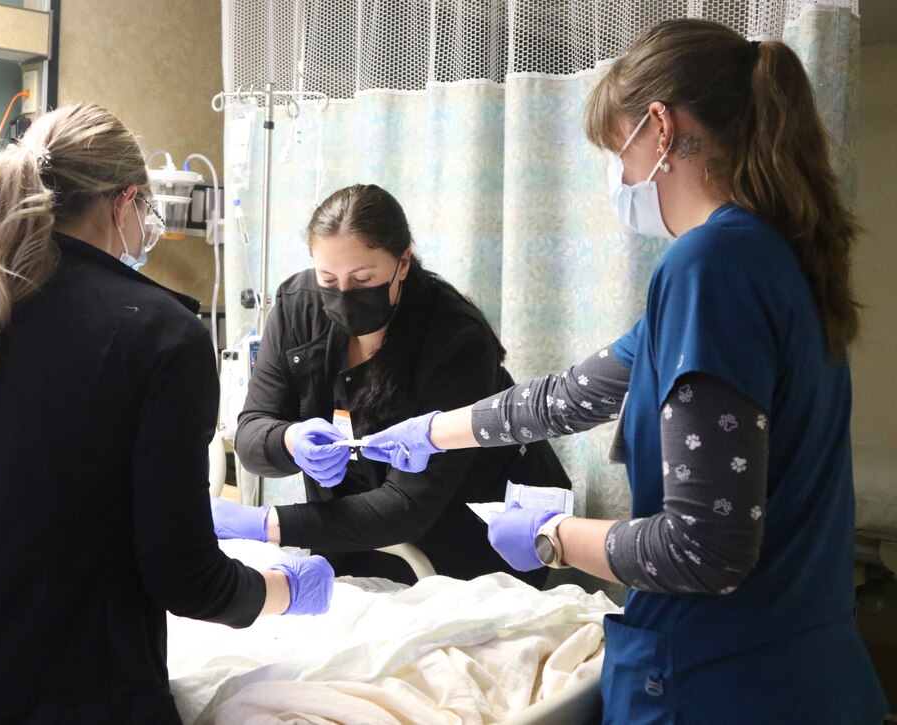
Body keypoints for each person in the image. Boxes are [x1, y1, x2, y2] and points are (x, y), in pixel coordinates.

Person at [361, 20, 889, 724]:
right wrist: (431, 430)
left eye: (619, 149)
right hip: (805, 671)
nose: (620, 176)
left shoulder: (710, 266)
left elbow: (703, 548)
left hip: (723, 683)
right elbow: (571, 396)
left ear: (661, 129)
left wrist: (554, 534)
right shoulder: (775, 255)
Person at [0, 103, 333, 724]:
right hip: (74, 697)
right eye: (148, 213)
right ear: (125, 202)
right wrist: (284, 592)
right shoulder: (165, 335)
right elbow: (184, 576)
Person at [211, 183, 571, 585]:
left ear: (403, 263)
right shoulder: (298, 306)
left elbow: (410, 506)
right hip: (358, 534)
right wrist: (288, 440)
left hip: (474, 541)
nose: (343, 294)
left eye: (363, 279)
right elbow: (253, 430)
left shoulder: (456, 340)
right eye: (329, 280)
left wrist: (268, 523)